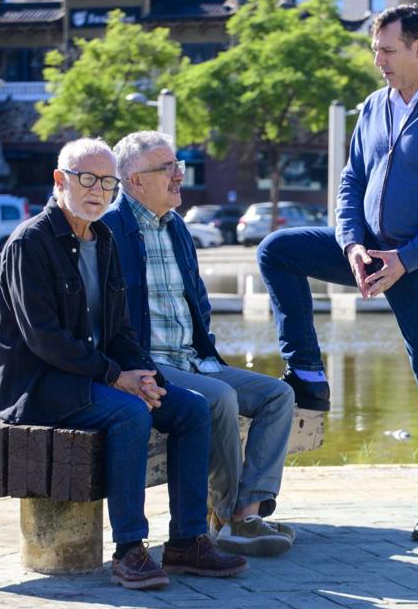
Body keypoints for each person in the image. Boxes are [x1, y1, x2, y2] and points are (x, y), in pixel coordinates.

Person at [257, 4, 418, 542]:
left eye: (386, 49)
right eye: (374, 49)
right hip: (373, 251)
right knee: (277, 250)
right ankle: (309, 375)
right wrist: (353, 244)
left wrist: (406, 259)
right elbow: (349, 182)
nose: (377, 59)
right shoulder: (372, 107)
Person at [0, 137, 247, 591]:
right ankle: (130, 549)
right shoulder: (30, 243)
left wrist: (144, 376)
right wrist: (116, 377)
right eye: (86, 179)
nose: (97, 191)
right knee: (128, 413)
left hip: (96, 379)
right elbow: (45, 339)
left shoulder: (103, 238)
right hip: (41, 387)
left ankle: (187, 541)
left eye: (107, 183)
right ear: (59, 180)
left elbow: (120, 331)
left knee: (187, 407)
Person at [104, 131, 297, 558]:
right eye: (166, 168)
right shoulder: (110, 230)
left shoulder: (177, 227)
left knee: (279, 396)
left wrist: (203, 348)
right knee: (220, 398)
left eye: (178, 166)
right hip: (149, 366)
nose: (178, 176)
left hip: (195, 360)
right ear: (135, 181)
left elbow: (198, 301)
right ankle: (227, 519)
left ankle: (246, 512)